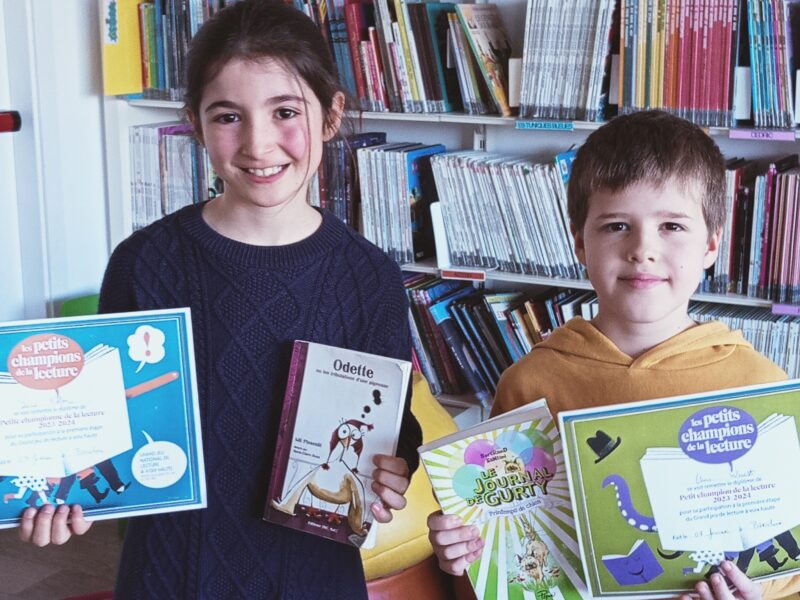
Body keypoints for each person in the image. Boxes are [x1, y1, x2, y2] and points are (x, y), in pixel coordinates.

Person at [18, 1, 422, 598]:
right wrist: (57, 489)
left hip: (314, 581)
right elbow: (98, 428)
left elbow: (395, 422)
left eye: (285, 112)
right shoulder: (145, 263)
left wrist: (396, 466)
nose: (259, 144)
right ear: (195, 124)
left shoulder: (369, 276)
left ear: (331, 114)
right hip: (172, 578)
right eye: (228, 116)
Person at [427, 110, 800, 600]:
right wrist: (465, 549)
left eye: (672, 226)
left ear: (711, 245)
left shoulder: (760, 385)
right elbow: (504, 552)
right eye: (617, 225)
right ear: (580, 243)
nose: (642, 249)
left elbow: (787, 566)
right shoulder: (530, 384)